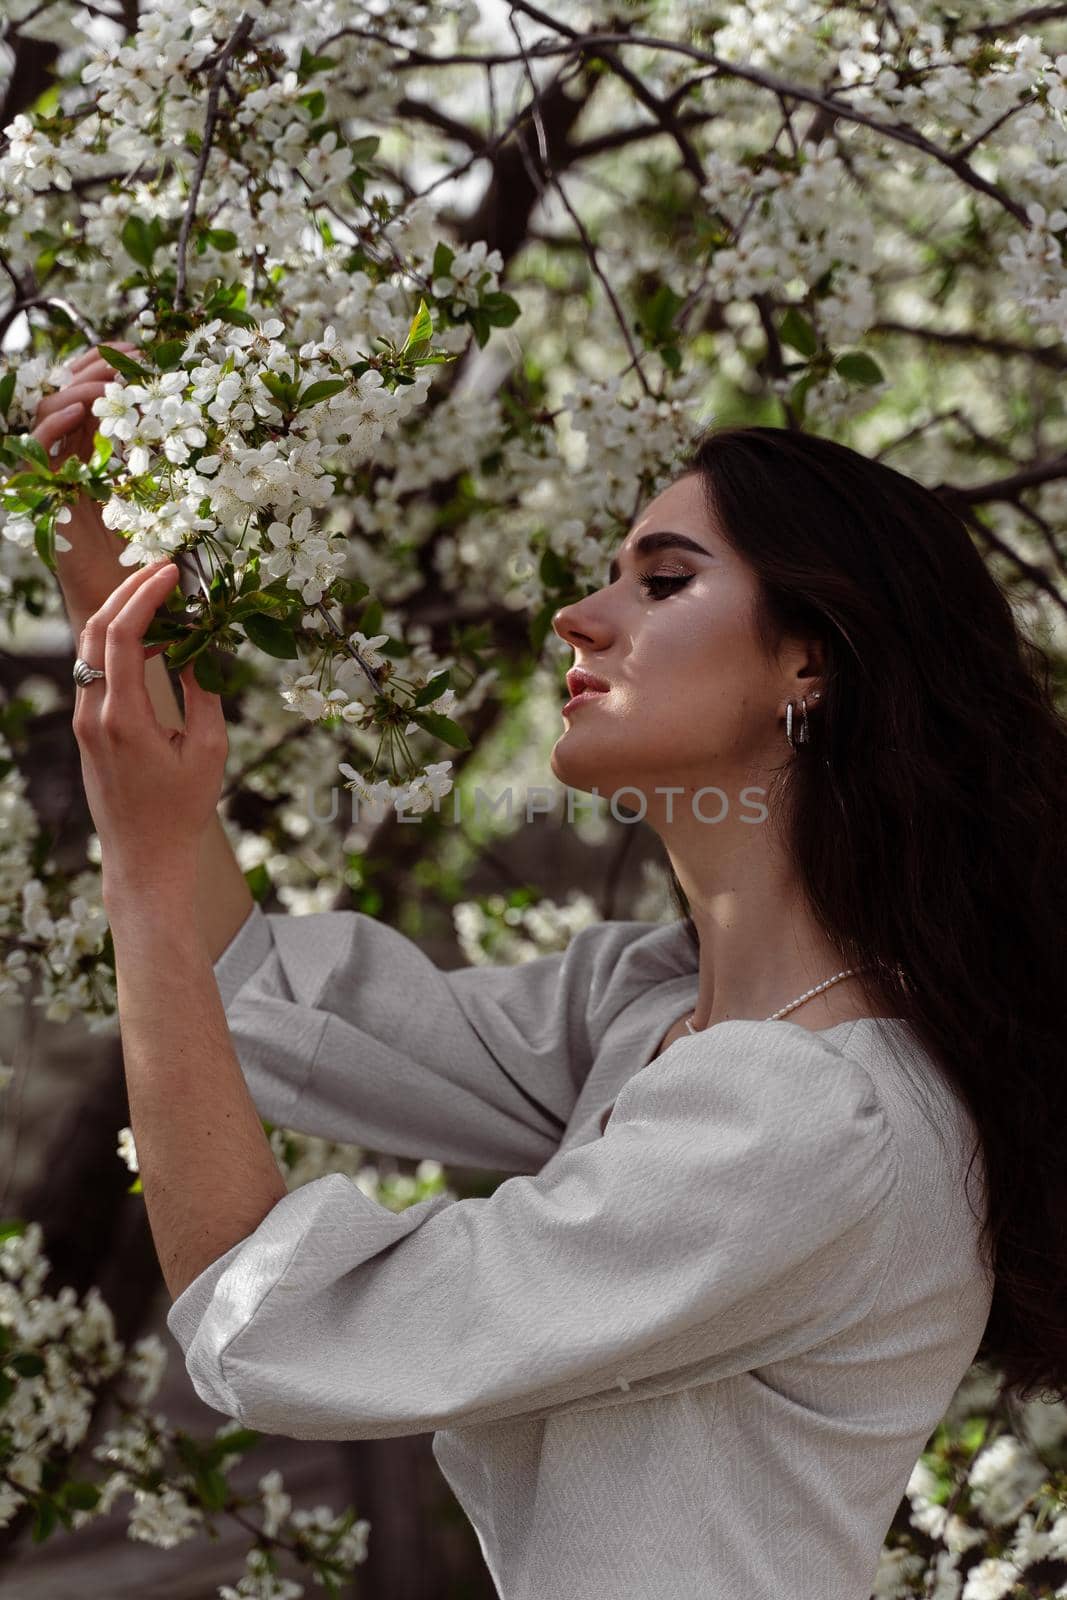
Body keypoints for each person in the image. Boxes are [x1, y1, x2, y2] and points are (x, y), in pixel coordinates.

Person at [36, 352, 1067, 1600]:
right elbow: (256, 1002)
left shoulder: (809, 1119)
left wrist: (145, 865)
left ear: (811, 663)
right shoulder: (649, 1011)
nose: (580, 615)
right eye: (608, 573)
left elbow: (279, 1327)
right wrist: (110, 604)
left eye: (664, 581)